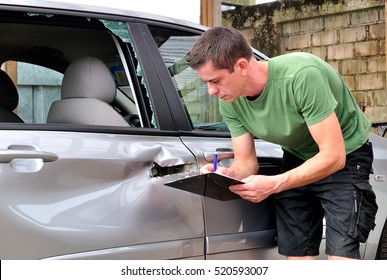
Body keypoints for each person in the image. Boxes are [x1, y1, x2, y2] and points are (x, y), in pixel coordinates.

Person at [187, 26, 378, 260]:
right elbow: (246, 163)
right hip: (297, 156)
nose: (211, 91)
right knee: (297, 257)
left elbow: (333, 156)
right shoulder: (229, 101)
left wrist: (274, 184)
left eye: (215, 80)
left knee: (341, 258)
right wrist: (226, 174)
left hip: (346, 154)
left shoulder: (302, 76)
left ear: (241, 66)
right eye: (206, 82)